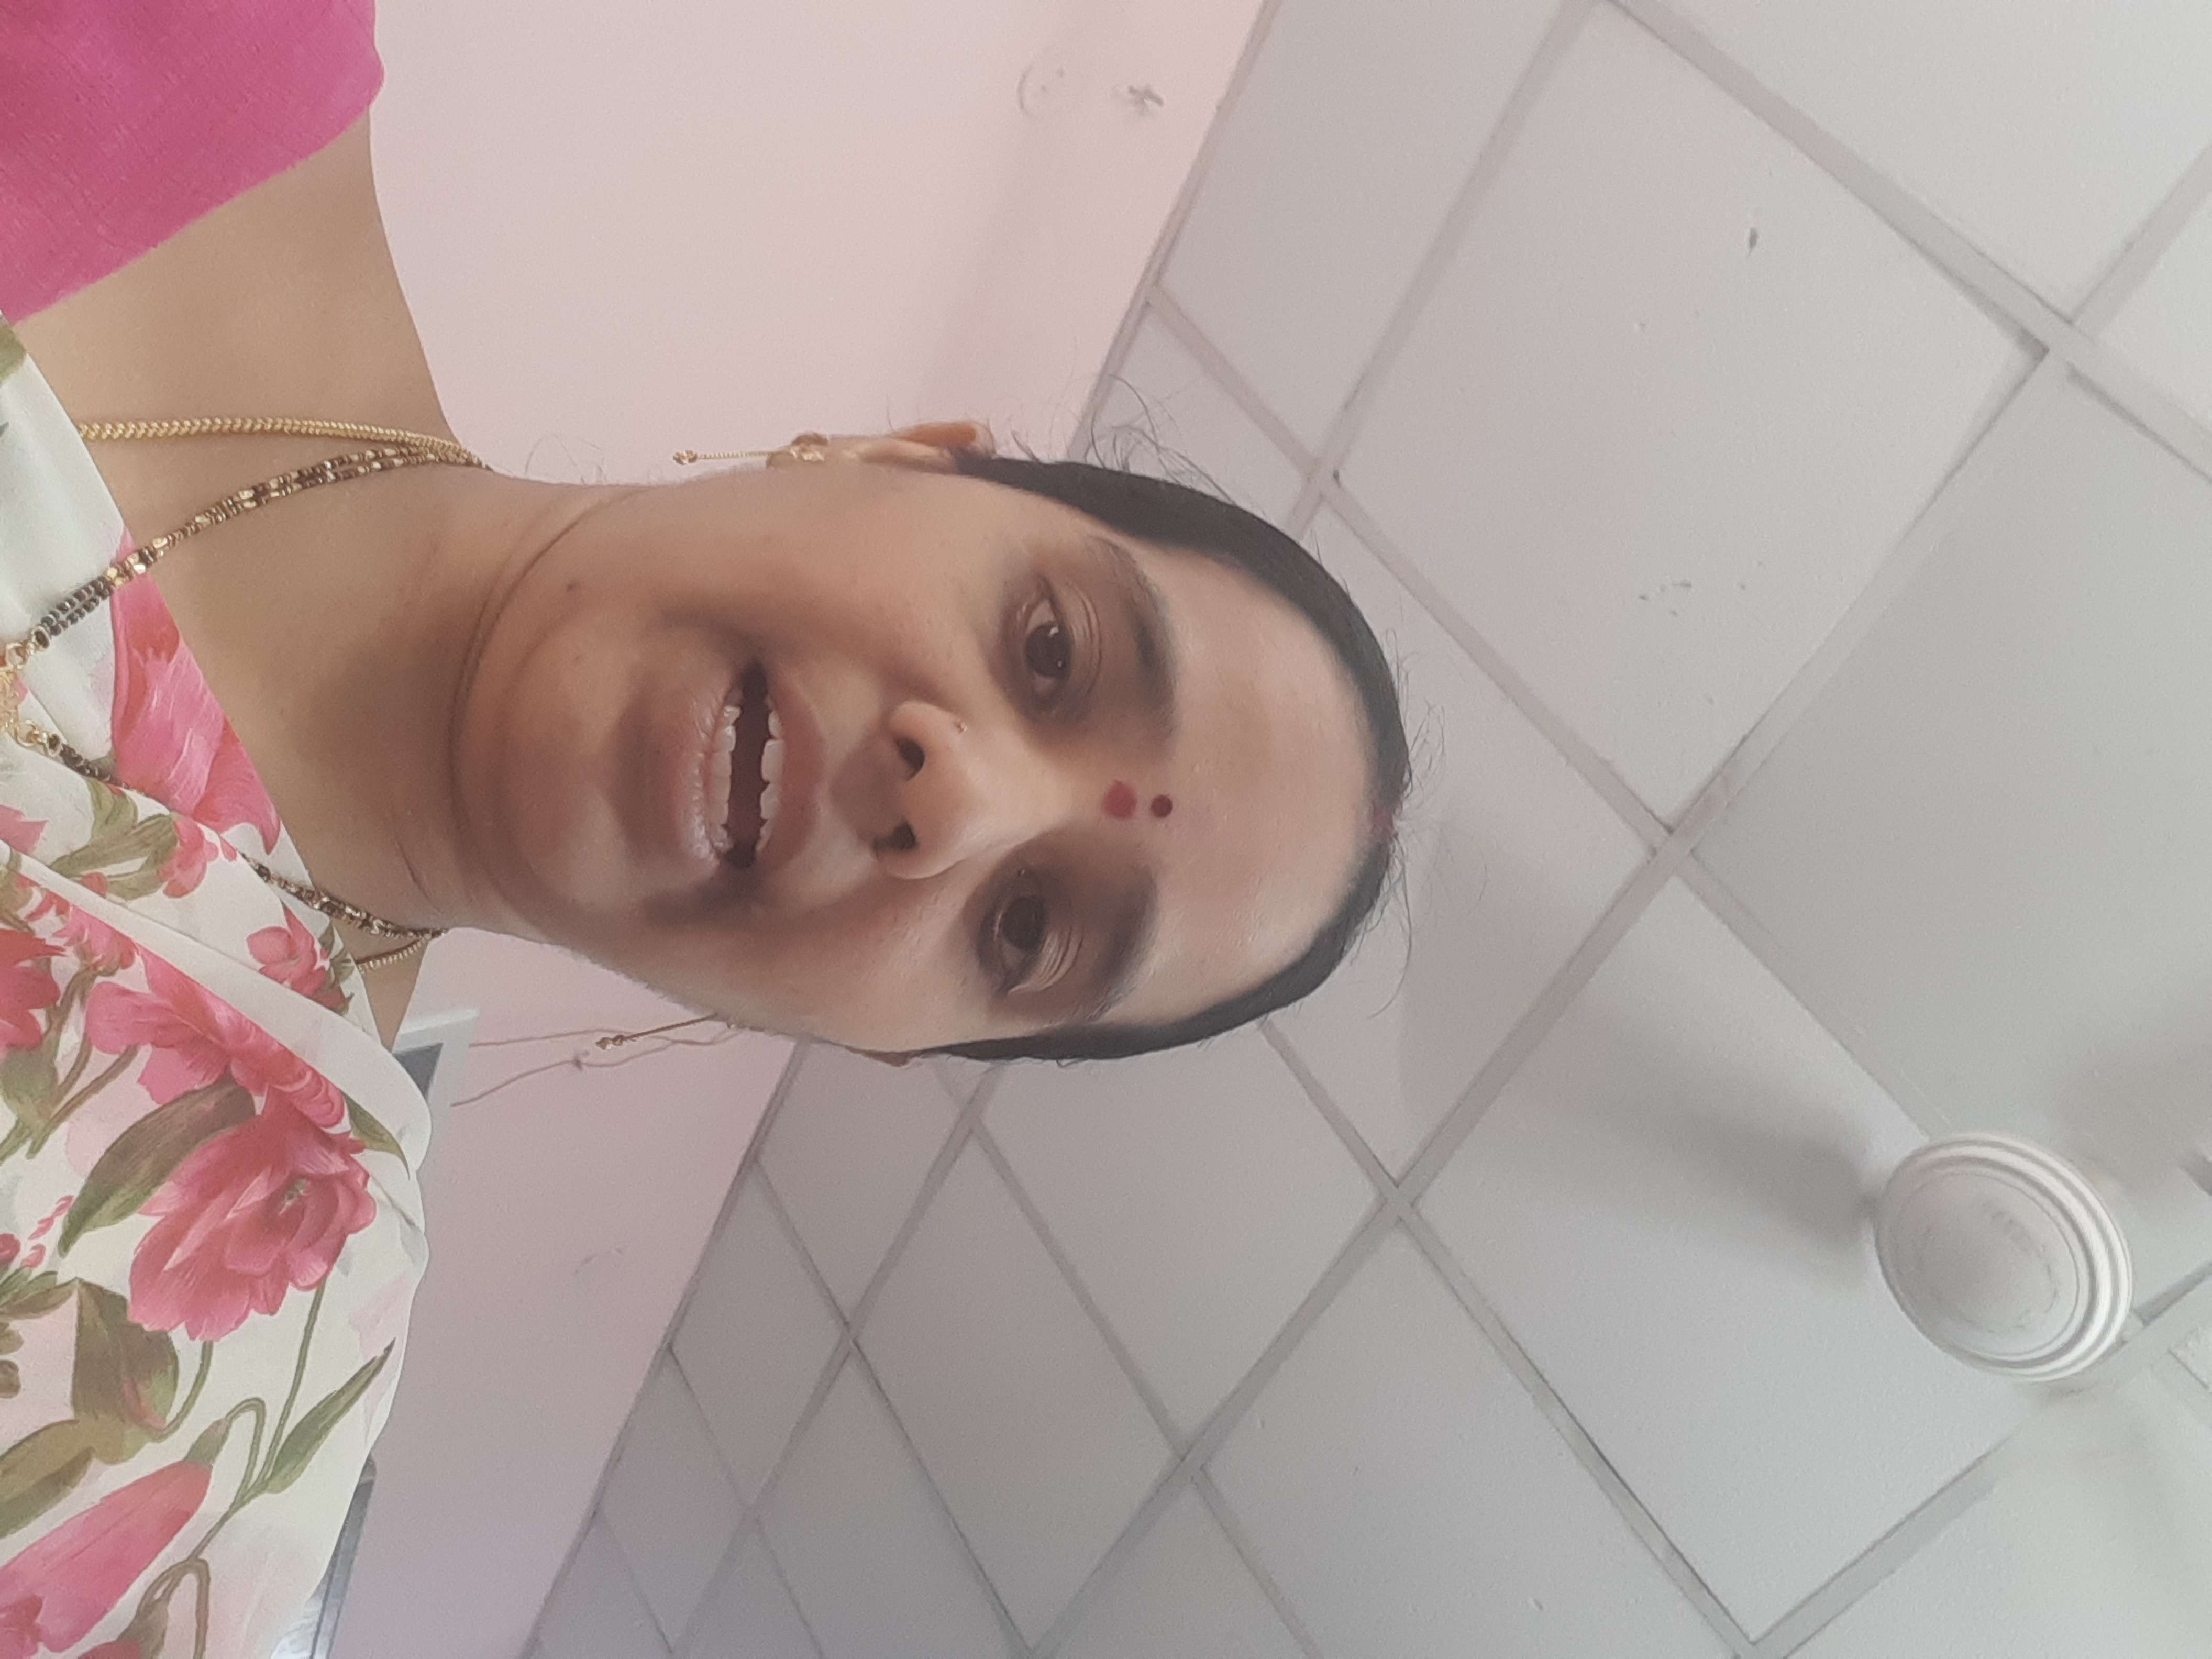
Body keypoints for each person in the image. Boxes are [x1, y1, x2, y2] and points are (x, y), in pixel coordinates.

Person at [0, 1, 1409, 1652]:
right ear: (903, 458)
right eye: (1051, 648)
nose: (954, 803)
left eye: (1027, 930)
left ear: (883, 1038)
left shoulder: (211, 1418)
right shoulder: (208, 35)